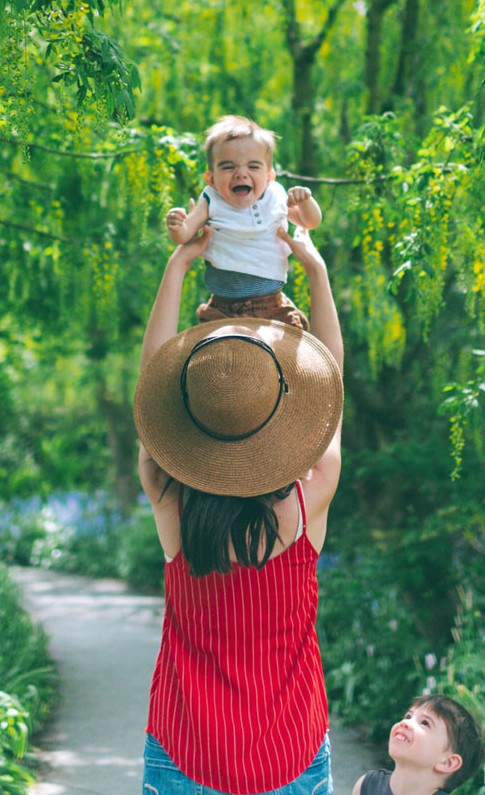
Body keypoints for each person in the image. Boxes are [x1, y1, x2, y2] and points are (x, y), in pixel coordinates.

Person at [133, 221, 344, 794]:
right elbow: (333, 389)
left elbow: (150, 391)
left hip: (184, 752)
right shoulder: (308, 502)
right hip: (291, 753)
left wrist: (177, 266)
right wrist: (316, 272)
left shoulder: (171, 501)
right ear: (279, 421)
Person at [165, 115, 322, 330]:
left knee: (294, 351)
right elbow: (185, 235)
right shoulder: (211, 200)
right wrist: (177, 226)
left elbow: (310, 222)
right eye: (228, 167)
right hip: (222, 307)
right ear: (211, 178)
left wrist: (305, 201)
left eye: (253, 167)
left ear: (269, 176)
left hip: (272, 304)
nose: (241, 174)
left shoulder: (275, 197)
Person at [352, 694, 485, 795]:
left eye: (425, 723)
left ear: (447, 763)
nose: (406, 723)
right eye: (409, 717)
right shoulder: (367, 786)